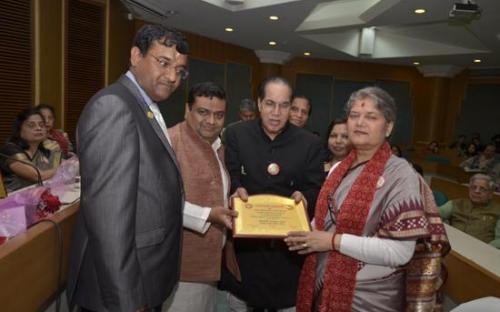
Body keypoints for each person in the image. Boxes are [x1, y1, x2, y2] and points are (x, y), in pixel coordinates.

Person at [285, 86, 448, 312]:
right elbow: (325, 223)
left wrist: (332, 241)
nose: (360, 122)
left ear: (388, 127)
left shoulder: (401, 176)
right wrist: (298, 230)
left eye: (371, 117)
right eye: (354, 115)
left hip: (372, 298)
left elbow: (400, 253)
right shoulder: (338, 169)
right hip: (325, 284)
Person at [67, 24, 189, 312]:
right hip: (121, 292)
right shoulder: (114, 106)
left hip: (144, 278)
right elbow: (109, 220)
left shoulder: (144, 104)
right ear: (136, 55)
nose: (172, 77)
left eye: (180, 70)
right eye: (163, 62)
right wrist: (128, 302)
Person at [220, 76, 324, 311]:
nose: (276, 112)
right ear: (259, 103)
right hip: (246, 251)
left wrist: (306, 198)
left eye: (284, 105)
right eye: (270, 103)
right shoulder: (237, 135)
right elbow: (230, 176)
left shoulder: (310, 144)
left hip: (288, 255)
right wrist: (236, 190)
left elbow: (316, 188)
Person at [164, 82, 239, 311]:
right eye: (203, 112)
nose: (211, 121)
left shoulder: (218, 146)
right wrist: (209, 215)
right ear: (187, 110)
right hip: (181, 268)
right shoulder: (170, 141)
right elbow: (161, 203)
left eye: (219, 115)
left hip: (211, 265)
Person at [0, 108, 61, 192]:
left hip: (36, 199)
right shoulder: (10, 150)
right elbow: (37, 176)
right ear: (19, 129)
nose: (38, 128)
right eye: (31, 125)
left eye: (41, 125)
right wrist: (64, 168)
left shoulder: (44, 153)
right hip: (10, 201)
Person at [439, 173, 500, 248]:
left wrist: (485, 249)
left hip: (478, 251)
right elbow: (434, 216)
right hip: (450, 245)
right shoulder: (456, 203)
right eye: (473, 187)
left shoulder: (497, 211)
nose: (477, 191)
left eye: (482, 189)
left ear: (490, 194)